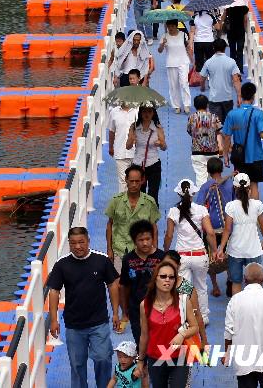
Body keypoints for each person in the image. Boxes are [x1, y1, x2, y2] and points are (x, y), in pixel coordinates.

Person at [49, 227, 119, 388]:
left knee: (103, 358)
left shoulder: (102, 260)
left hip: (99, 322)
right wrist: (54, 320)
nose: (78, 246)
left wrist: (116, 312)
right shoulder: (62, 264)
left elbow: (113, 286)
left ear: (88, 241)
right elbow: (54, 292)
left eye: (81, 242)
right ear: (69, 244)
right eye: (73, 243)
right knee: (77, 365)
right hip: (74, 325)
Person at [164, 179, 217, 325]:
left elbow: (169, 235)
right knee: (201, 287)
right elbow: (210, 233)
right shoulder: (201, 210)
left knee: (184, 288)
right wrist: (215, 250)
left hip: (182, 257)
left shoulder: (173, 212)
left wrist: (165, 252)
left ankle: (186, 317)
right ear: (193, 192)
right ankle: (204, 317)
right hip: (200, 256)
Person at [137, 261, 198, 387]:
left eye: (171, 277)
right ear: (155, 279)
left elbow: (195, 327)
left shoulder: (183, 300)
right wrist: (141, 360)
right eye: (163, 276)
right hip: (155, 357)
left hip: (179, 357)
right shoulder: (145, 305)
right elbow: (144, 335)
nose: (167, 280)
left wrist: (182, 335)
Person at [223, 263, 263, 387]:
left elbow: (229, 331)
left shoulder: (234, 301)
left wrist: (227, 354)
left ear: (245, 279)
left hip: (243, 361)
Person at [222, 82, 263, 199]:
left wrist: (225, 155)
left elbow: (227, 137)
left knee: (240, 186)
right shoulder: (258, 113)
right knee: (254, 186)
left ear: (241, 95)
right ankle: (255, 214)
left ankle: (241, 213)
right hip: (255, 157)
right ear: (253, 96)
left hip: (239, 157)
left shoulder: (232, 114)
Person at [217, 173, 263, 295]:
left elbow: (227, 229)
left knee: (236, 282)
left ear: (234, 188)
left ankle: (237, 310)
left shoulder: (230, 206)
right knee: (255, 283)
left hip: (235, 250)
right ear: (249, 188)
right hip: (253, 250)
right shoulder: (257, 204)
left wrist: (221, 248)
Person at [105, 164, 160, 274]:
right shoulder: (116, 201)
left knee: (140, 286)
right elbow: (109, 225)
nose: (134, 184)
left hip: (142, 252)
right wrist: (109, 250)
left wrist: (154, 251)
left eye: (137, 181)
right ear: (126, 180)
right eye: (131, 181)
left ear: (142, 181)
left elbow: (154, 228)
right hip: (119, 250)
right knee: (119, 284)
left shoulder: (150, 202)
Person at [120, 221, 165, 348]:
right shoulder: (128, 259)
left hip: (160, 309)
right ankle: (143, 366)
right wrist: (124, 312)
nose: (145, 243)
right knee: (141, 345)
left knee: (159, 344)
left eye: (148, 239)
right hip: (136, 310)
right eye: (141, 240)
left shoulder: (162, 257)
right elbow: (124, 286)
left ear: (153, 238)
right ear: (134, 241)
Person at [196, 157, 235, 297]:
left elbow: (199, 206)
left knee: (211, 258)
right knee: (229, 255)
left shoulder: (205, 187)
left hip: (210, 228)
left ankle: (215, 286)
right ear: (221, 169)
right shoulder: (230, 185)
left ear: (208, 170)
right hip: (227, 227)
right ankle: (231, 280)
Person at [162, 250, 208, 350]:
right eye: (165, 265)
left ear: (178, 266)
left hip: (182, 338)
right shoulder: (156, 286)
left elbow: (197, 315)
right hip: (161, 336)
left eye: (172, 266)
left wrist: (204, 340)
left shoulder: (187, 288)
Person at [126, 107, 167, 206]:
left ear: (153, 113)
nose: (147, 114)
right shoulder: (134, 127)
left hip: (154, 163)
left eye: (149, 111)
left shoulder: (158, 128)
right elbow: (128, 147)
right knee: (139, 193)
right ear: (140, 113)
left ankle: (152, 218)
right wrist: (131, 139)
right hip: (138, 164)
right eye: (144, 111)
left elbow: (164, 147)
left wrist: (160, 143)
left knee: (153, 194)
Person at [200, 38, 242, 124]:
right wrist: (239, 96)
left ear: (213, 48)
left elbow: (202, 77)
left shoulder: (208, 62)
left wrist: (202, 87)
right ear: (225, 48)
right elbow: (236, 80)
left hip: (214, 99)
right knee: (227, 126)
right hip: (227, 98)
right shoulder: (231, 62)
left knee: (216, 127)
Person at [158, 19, 193, 114]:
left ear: (176, 26)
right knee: (173, 86)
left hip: (183, 62)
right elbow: (159, 51)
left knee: (184, 83)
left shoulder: (183, 35)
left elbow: (188, 48)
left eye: (172, 26)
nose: (170, 28)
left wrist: (192, 60)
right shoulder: (164, 36)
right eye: (169, 26)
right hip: (171, 63)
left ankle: (186, 104)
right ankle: (176, 105)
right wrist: (162, 44)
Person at [187, 94, 222, 187]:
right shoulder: (214, 117)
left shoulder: (191, 118)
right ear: (207, 105)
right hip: (213, 152)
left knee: (200, 178)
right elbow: (219, 131)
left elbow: (190, 131)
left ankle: (203, 200)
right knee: (215, 179)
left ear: (195, 105)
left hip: (197, 152)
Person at [108, 101, 138, 193]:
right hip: (120, 151)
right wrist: (111, 147)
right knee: (123, 181)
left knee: (137, 180)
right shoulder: (114, 112)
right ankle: (123, 205)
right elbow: (111, 131)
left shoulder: (138, 111)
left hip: (137, 152)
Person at [223, 4, 250, 73]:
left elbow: (224, 18)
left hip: (231, 32)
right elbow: (245, 21)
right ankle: (240, 69)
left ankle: (233, 69)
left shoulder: (228, 7)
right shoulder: (244, 8)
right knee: (240, 51)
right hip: (240, 32)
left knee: (232, 51)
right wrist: (246, 30)